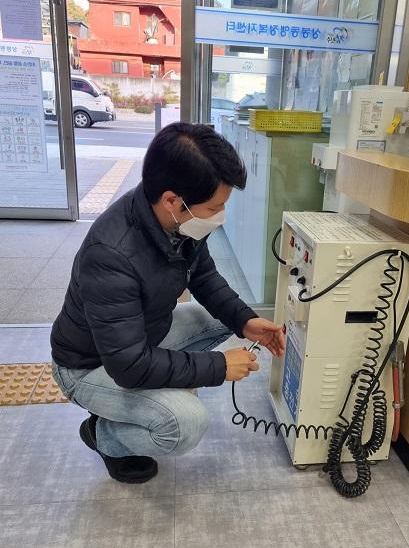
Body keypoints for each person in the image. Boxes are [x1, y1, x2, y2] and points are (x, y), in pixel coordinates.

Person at [51, 122, 285, 484]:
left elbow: (204, 277)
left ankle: (153, 391)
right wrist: (218, 366)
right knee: (185, 423)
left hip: (141, 336)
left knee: (220, 319)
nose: (219, 216)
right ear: (172, 200)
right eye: (214, 208)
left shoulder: (176, 221)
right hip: (89, 366)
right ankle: (104, 436)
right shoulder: (111, 255)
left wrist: (245, 321)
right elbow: (129, 367)